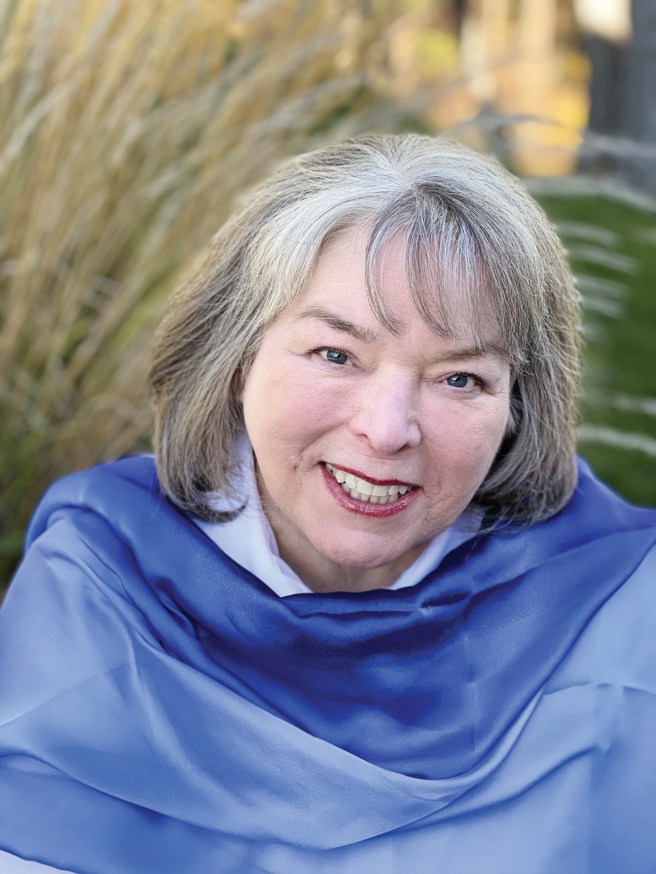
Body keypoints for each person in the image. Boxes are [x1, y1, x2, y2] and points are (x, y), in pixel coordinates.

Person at [0, 134, 654, 874]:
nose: (387, 429)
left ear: (516, 409)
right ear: (237, 357)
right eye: (336, 354)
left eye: (460, 379)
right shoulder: (102, 582)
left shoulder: (623, 609)